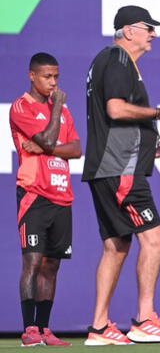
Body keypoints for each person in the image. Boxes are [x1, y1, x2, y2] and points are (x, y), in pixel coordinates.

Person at [82, 5, 160, 345]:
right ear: (128, 31)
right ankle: (144, 319)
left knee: (116, 246)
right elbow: (115, 109)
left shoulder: (114, 61)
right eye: (148, 28)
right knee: (155, 238)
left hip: (111, 166)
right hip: (120, 168)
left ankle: (99, 328)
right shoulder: (118, 59)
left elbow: (113, 116)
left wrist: (148, 141)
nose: (154, 33)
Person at [10, 53, 81, 347]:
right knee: (33, 261)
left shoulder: (63, 113)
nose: (53, 83)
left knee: (52, 265)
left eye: (56, 77)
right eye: (47, 77)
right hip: (34, 194)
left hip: (62, 193)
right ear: (32, 76)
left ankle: (44, 328)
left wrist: (45, 148)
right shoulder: (21, 107)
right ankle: (29, 329)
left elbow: (76, 149)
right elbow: (52, 140)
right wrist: (57, 110)